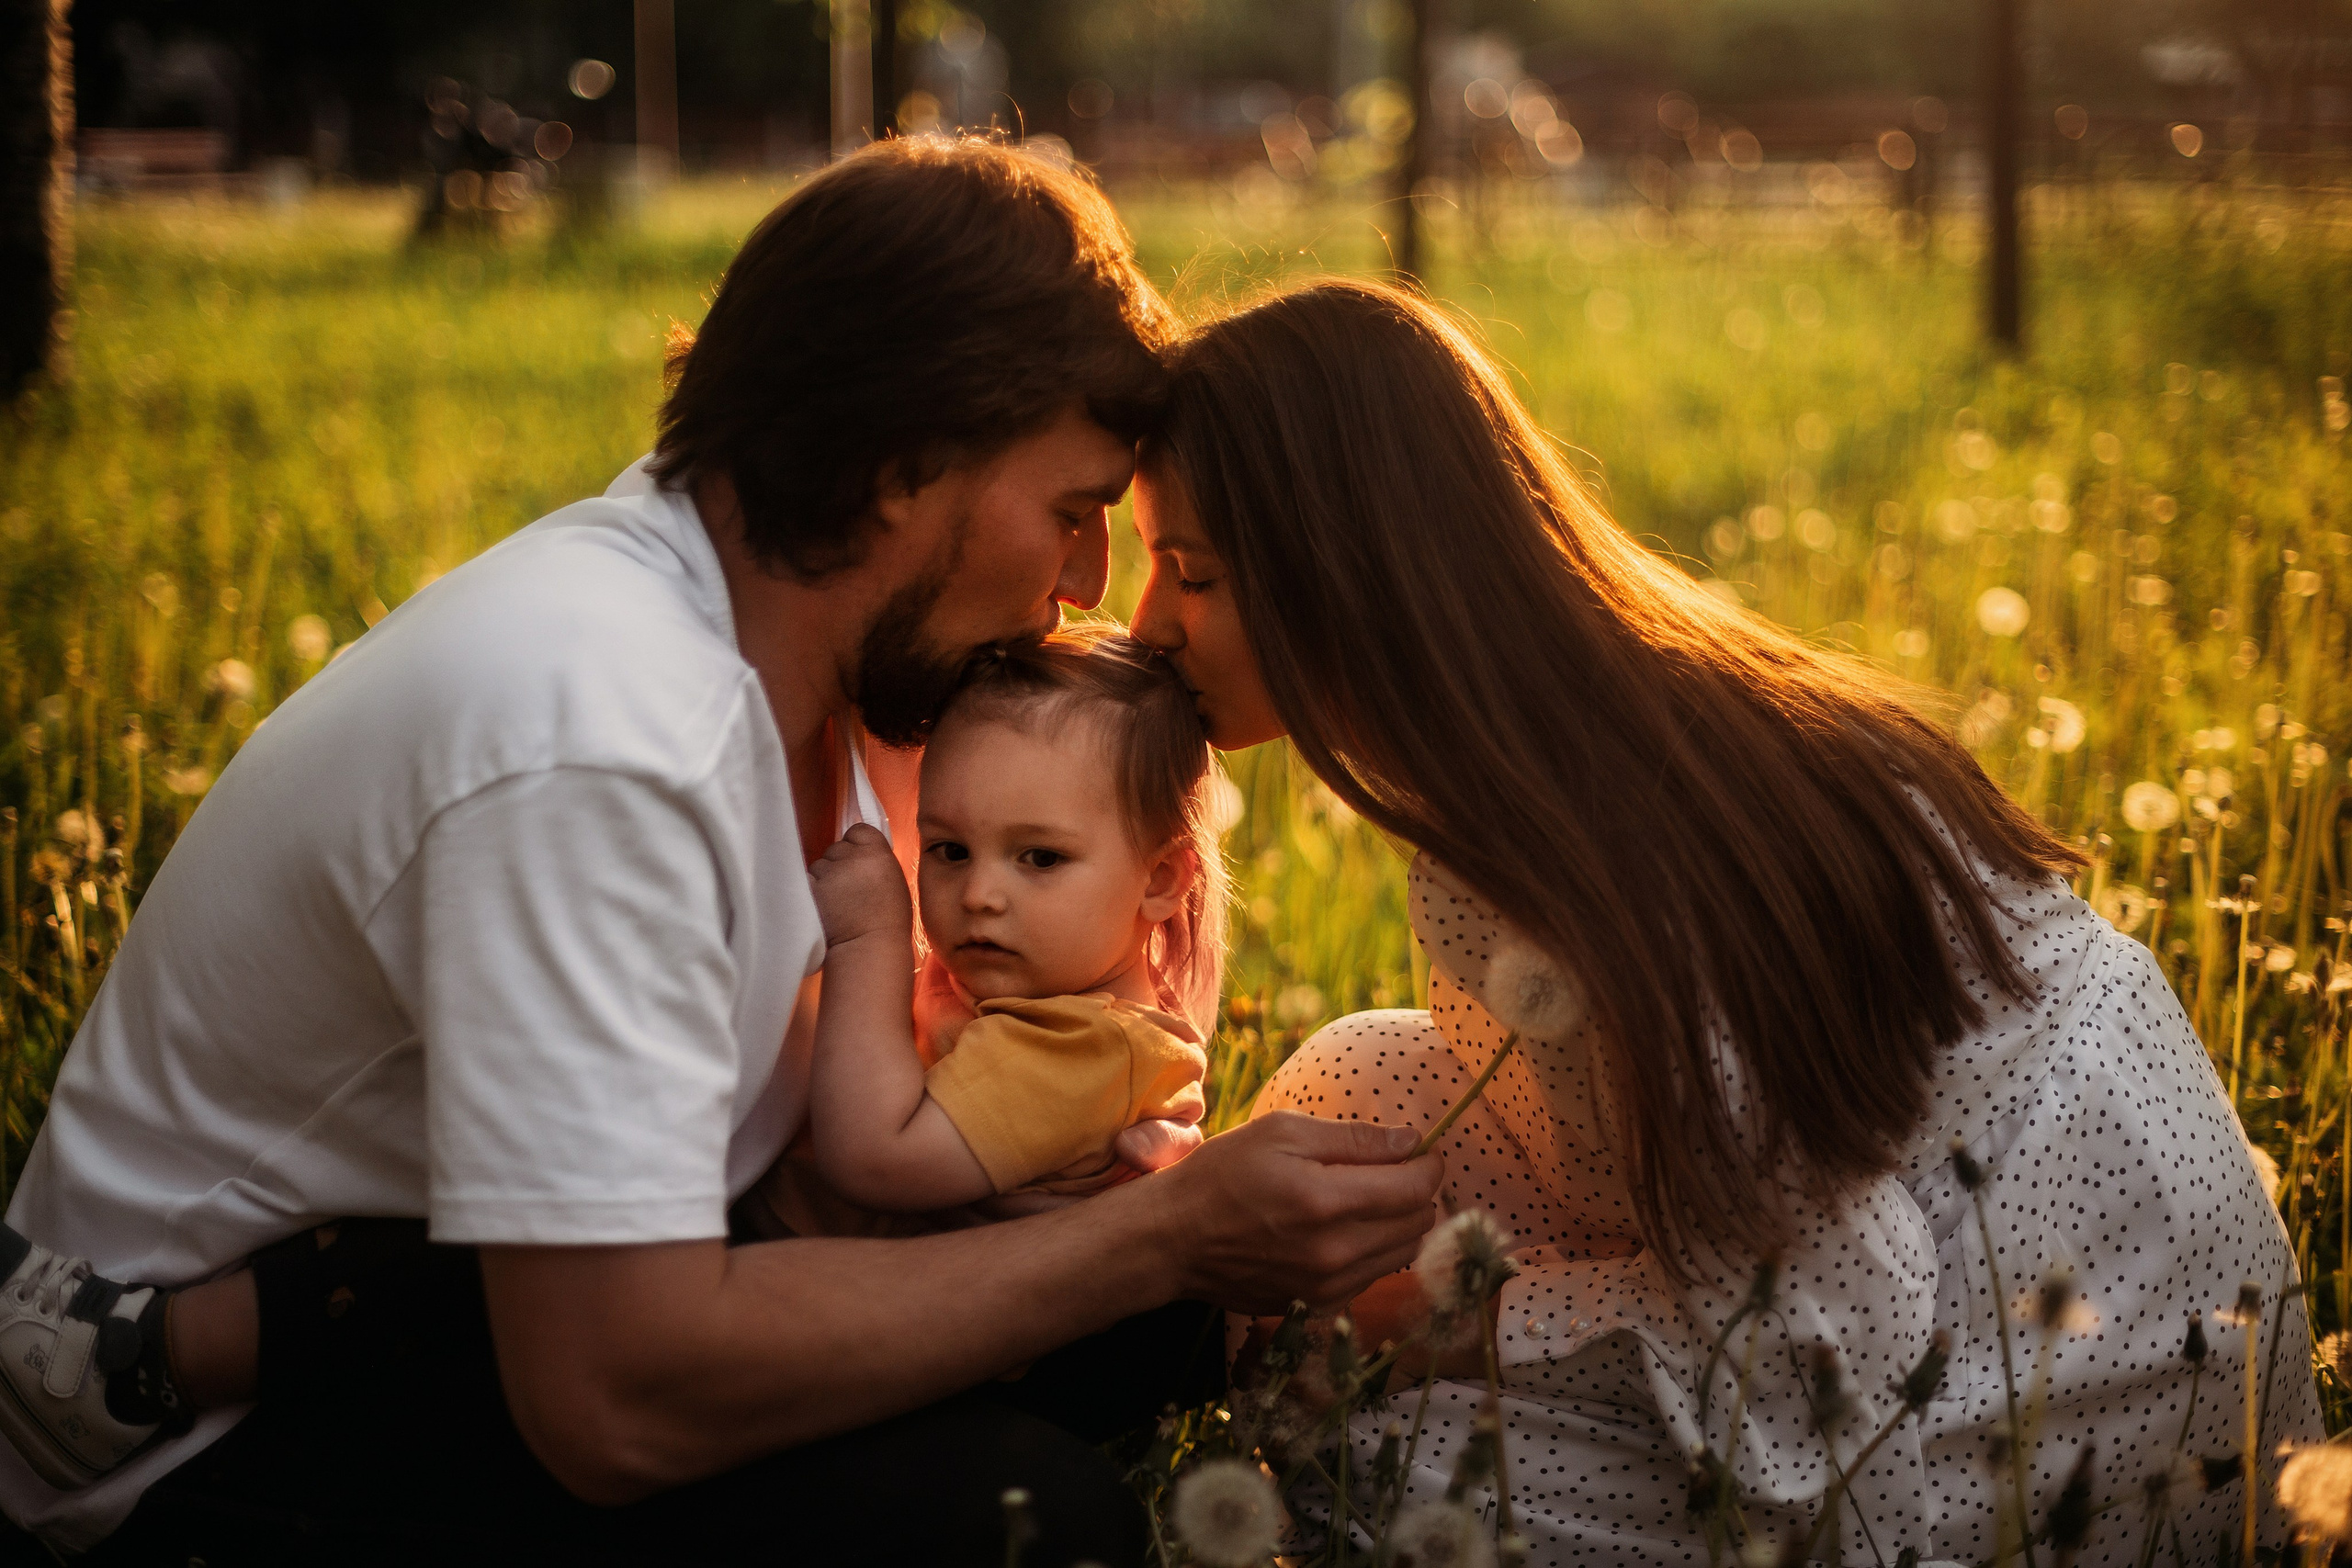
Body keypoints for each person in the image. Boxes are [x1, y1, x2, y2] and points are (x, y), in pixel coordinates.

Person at [0, 142, 1442, 1567]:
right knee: (1021, 1520)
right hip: (210, 1433)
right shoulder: (599, 738)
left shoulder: (822, 647)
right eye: (1072, 513)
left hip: (573, 1273)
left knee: (1145, 1322)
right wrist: (1162, 1236)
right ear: (902, 464)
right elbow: (613, 1401)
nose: (1085, 585)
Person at [1126, 276, 2321, 1564]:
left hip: (2057, 1397)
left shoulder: (1594, 857)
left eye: (1192, 573)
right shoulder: (1605, 721)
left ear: (1343, 567)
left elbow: (1832, 1324)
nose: (1144, 626)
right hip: (1951, 1268)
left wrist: (1428, 1326)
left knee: (1383, 1459)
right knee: (1355, 1093)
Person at [767, 625, 1230, 1230]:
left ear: (1160, 880)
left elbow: (876, 1159)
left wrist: (868, 940)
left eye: (1040, 858)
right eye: (951, 850)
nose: (978, 895)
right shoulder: (1041, 986)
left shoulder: (1083, 1044)